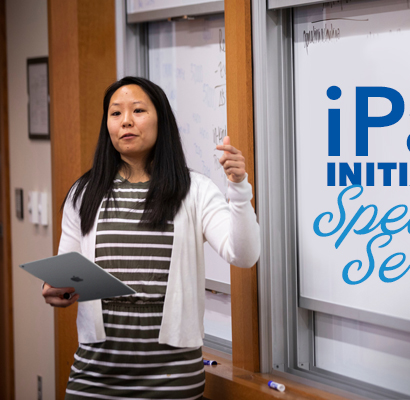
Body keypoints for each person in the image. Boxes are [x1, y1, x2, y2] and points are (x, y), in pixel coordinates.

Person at [41, 76, 260, 399]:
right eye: (115, 114)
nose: (126, 121)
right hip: (96, 372)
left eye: (138, 110)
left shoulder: (194, 190)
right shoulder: (83, 193)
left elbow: (243, 254)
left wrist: (239, 189)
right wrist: (55, 289)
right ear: (107, 126)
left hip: (172, 376)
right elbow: (65, 271)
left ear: (161, 121)